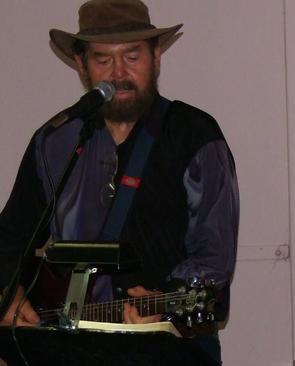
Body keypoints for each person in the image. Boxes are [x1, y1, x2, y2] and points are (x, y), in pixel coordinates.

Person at [0, 0, 238, 363]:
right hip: (69, 353)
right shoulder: (55, 140)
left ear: (155, 57)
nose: (119, 73)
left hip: (172, 351)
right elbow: (10, 237)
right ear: (81, 65)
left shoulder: (194, 135)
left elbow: (214, 254)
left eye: (132, 56)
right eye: (103, 59)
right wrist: (8, 293)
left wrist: (167, 302)